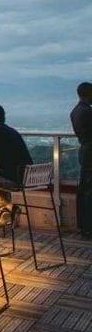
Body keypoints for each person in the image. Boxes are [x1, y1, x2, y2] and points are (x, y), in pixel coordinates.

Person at [71, 82, 92, 239]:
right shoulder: (87, 112)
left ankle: (83, 225)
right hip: (90, 151)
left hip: (85, 151)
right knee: (88, 190)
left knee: (84, 188)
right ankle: (87, 226)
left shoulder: (76, 111)